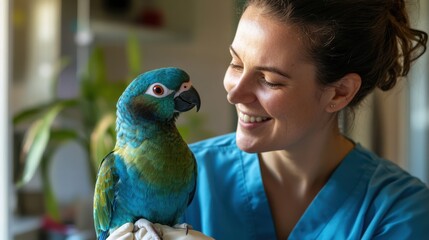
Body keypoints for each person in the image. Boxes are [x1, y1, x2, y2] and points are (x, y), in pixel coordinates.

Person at [108, 0, 429, 239]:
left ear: (340, 93)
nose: (234, 94)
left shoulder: (398, 212)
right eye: (235, 63)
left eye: (270, 80)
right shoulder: (177, 176)